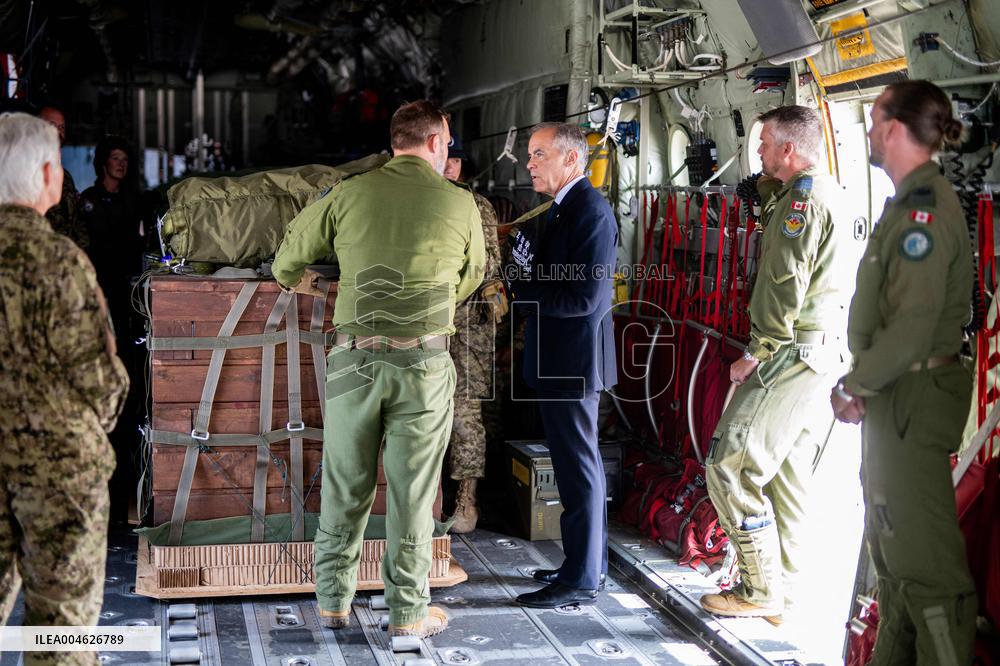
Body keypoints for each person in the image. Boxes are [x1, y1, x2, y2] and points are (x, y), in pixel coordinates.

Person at [271, 101, 486, 638]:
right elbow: (473, 278)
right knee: (413, 494)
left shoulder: (349, 192)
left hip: (354, 361)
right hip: (424, 364)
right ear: (437, 142)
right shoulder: (461, 205)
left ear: (396, 142)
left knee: (346, 485)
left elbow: (284, 266)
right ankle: (409, 612)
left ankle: (332, 602)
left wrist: (325, 287)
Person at [832, 80, 976, 665]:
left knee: (929, 573)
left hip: (911, 401)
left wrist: (855, 385)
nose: (867, 131)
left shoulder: (924, 210)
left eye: (873, 120)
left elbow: (912, 327)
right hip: (895, 402)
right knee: (893, 566)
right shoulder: (904, 204)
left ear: (893, 128)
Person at [700, 106, 858, 622]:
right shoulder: (820, 192)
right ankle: (784, 596)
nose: (760, 153)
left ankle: (758, 586)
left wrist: (756, 350)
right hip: (821, 354)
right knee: (788, 480)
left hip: (787, 354)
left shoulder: (802, 202)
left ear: (789, 148)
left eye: (765, 144)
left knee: (730, 465)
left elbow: (784, 280)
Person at [0, 112, 129, 665]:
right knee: (61, 630)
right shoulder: (58, 259)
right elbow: (99, 380)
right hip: (56, 469)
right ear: (48, 174)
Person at [509, 122, 618, 609]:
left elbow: (584, 297)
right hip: (559, 360)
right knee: (577, 467)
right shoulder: (563, 208)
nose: (529, 163)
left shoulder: (590, 211)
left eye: (539, 154)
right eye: (530, 155)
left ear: (572, 160)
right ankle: (584, 563)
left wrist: (521, 289)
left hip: (573, 364)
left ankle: (580, 579)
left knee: (579, 471)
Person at [78, 135, 145, 521]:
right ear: (103, 162)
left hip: (127, 296)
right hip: (99, 296)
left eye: (124, 158)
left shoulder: (133, 199)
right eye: (114, 158)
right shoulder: (87, 200)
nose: (120, 164)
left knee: (129, 375)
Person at [441, 134, 504, 533]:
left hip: (466, 328)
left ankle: (466, 502)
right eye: (443, 158)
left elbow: (490, 264)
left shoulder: (476, 206)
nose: (449, 166)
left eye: (456, 160)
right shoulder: (415, 202)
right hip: (423, 325)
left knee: (465, 416)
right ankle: (427, 501)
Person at [38, 105, 88, 250]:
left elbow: (76, 222)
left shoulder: (65, 176)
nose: (59, 132)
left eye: (62, 127)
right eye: (52, 126)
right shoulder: (27, 172)